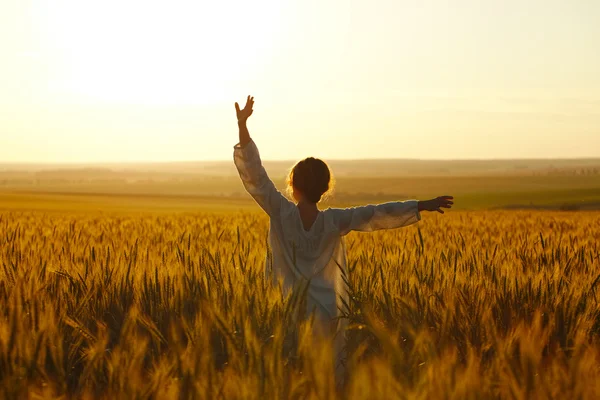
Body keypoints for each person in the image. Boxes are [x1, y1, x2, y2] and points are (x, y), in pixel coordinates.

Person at [232, 95, 453, 383]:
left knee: (294, 380)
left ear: (293, 185)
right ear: (324, 189)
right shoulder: (334, 221)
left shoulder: (280, 212)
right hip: (328, 315)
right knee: (328, 381)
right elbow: (376, 213)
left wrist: (243, 126)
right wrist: (420, 205)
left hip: (289, 314)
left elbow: (255, 176)